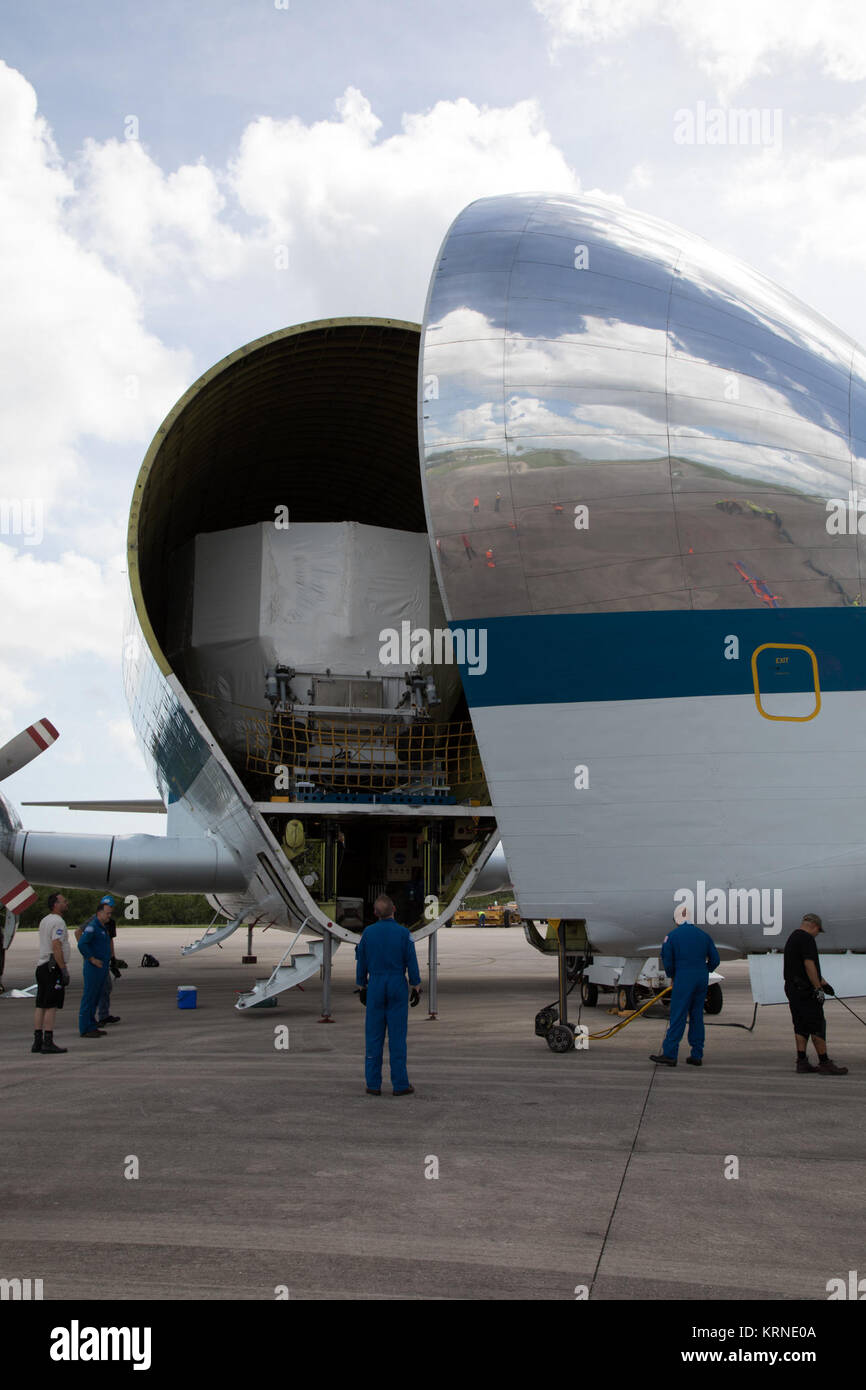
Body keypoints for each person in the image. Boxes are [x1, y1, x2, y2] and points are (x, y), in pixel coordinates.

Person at [356, 895, 422, 1096]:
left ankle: (373, 1084)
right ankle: (400, 1084)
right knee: (397, 1037)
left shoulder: (368, 933)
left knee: (374, 1037)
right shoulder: (403, 933)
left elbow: (362, 962)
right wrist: (416, 986)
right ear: (394, 909)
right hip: (396, 984)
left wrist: (362, 986)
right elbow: (412, 961)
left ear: (375, 913)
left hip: (375, 984)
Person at [650, 905, 720, 1067]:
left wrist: (672, 975)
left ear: (676, 920)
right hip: (701, 978)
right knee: (697, 1015)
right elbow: (715, 959)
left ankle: (670, 1054)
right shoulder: (704, 936)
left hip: (683, 977)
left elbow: (667, 960)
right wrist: (705, 970)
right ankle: (697, 1054)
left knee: (678, 1015)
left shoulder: (672, 936)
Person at [784, 913, 847, 1074]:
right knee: (817, 1024)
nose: (817, 935)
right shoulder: (807, 939)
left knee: (800, 1025)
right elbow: (809, 964)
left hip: (792, 988)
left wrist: (824, 983)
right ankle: (824, 1062)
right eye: (818, 931)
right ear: (814, 926)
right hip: (805, 990)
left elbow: (799, 966)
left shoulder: (793, 938)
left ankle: (802, 1061)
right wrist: (818, 988)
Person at [33, 891, 70, 1054]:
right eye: (63, 901)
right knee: (51, 1005)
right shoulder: (58, 922)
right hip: (52, 966)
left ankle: (37, 1040)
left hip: (41, 965)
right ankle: (48, 1041)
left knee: (40, 1004)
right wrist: (63, 969)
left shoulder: (45, 920)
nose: (66, 903)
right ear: (55, 904)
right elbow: (56, 945)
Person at [75, 898, 113, 1038]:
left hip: (101, 967)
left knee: (96, 996)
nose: (109, 916)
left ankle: (92, 1025)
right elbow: (82, 944)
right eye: (107, 913)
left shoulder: (102, 927)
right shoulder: (92, 927)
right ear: (99, 913)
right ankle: (85, 1028)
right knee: (89, 997)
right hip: (94, 967)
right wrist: (91, 958)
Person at [94, 896, 122, 1026]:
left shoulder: (110, 922)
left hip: (105, 959)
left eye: (110, 909)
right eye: (107, 909)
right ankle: (96, 1017)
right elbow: (80, 935)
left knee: (107, 987)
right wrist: (89, 956)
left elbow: (110, 940)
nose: (109, 911)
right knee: (98, 988)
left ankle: (103, 1015)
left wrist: (113, 958)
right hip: (96, 960)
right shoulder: (93, 922)